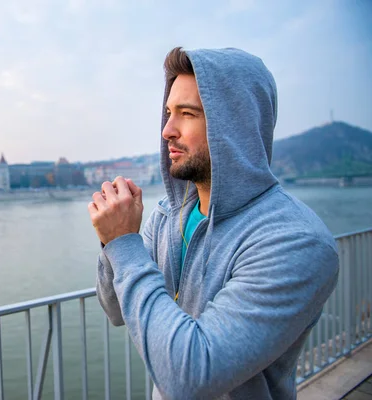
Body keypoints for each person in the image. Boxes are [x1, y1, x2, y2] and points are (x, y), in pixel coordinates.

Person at [88, 47, 339, 400]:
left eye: (187, 114)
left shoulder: (297, 241)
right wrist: (111, 241)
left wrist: (125, 243)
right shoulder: (166, 215)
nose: (167, 131)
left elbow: (190, 378)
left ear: (234, 126)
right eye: (168, 113)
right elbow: (115, 309)